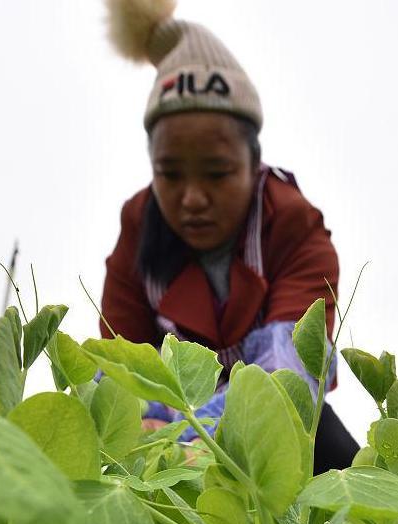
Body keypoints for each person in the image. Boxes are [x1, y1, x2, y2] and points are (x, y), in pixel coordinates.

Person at [98, 0, 359, 473]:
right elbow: (120, 369)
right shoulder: (136, 231)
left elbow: (288, 376)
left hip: (274, 428)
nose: (192, 198)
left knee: (335, 460)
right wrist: (144, 431)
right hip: (165, 435)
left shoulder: (293, 225)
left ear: (252, 163)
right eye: (170, 174)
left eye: (217, 173)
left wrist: (194, 439)